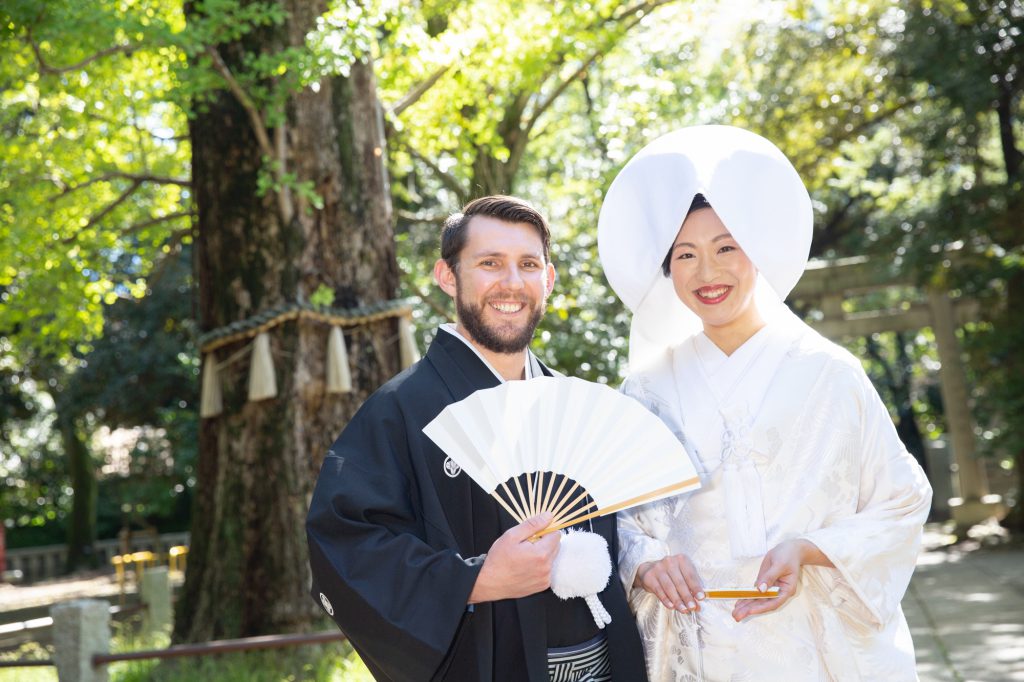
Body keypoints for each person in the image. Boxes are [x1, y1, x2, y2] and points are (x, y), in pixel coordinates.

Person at [596, 126, 933, 681]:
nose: (707, 272)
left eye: (726, 247)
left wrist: (812, 548)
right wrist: (648, 561)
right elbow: (617, 521)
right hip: (697, 639)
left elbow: (901, 500)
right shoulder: (646, 391)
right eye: (685, 255)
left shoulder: (829, 374)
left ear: (757, 250)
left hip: (813, 640)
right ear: (667, 270)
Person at [307, 195, 647, 681]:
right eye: (490, 263)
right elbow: (342, 546)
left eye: (528, 265)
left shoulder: (571, 405)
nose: (512, 283)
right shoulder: (402, 409)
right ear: (448, 276)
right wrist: (474, 580)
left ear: (547, 279)